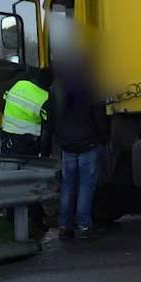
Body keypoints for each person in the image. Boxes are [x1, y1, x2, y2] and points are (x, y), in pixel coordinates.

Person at [51, 47, 108, 239]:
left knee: (68, 185)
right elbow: (99, 116)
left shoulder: (58, 86)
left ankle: (64, 225)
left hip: (67, 145)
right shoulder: (90, 87)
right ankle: (84, 225)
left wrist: (58, 138)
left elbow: (52, 116)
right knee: (86, 186)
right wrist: (103, 138)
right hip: (87, 144)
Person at [0, 68, 50, 161]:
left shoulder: (19, 84)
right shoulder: (45, 98)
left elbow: (2, 104)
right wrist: (44, 156)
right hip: (27, 143)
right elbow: (47, 131)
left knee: (6, 168)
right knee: (24, 171)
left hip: (7, 136)